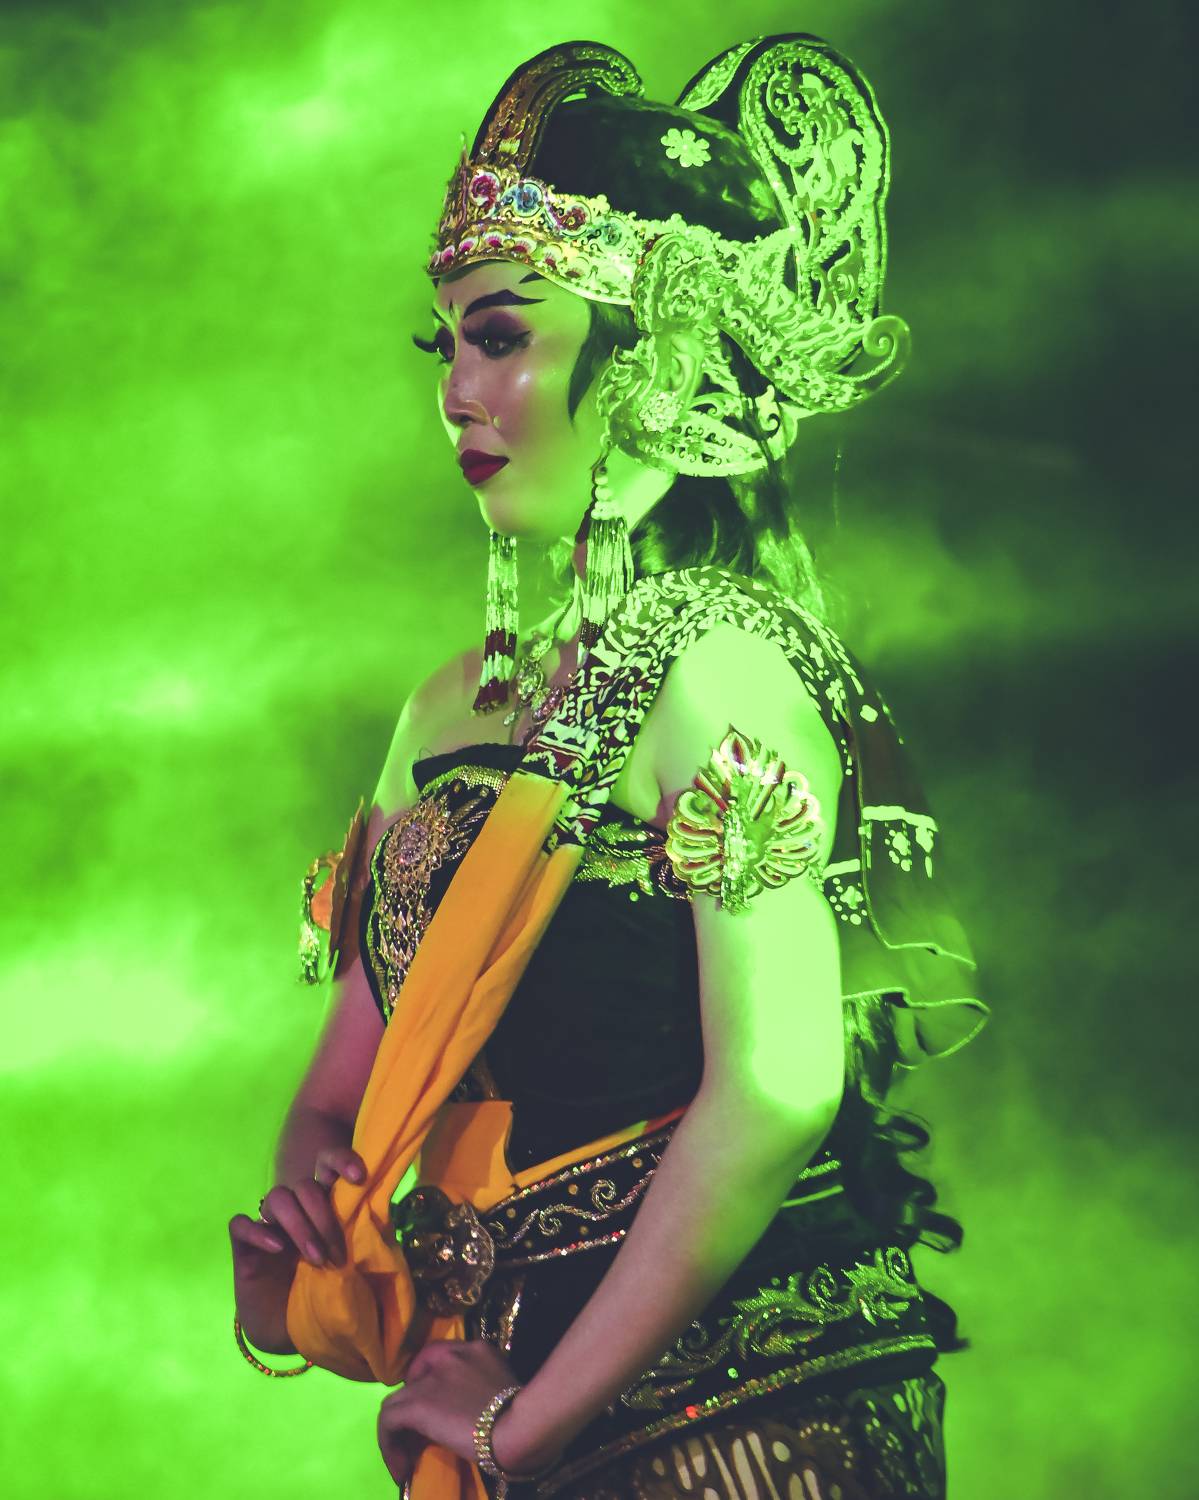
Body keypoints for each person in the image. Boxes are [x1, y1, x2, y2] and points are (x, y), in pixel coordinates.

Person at [227, 36, 989, 1500]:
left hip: (742, 1414)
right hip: (506, 1392)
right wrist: (317, 1209)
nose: (456, 391)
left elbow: (776, 1088)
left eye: (502, 335)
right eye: (445, 346)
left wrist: (525, 1428)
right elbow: (343, 1089)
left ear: (660, 359)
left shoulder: (718, 667)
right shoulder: (441, 713)